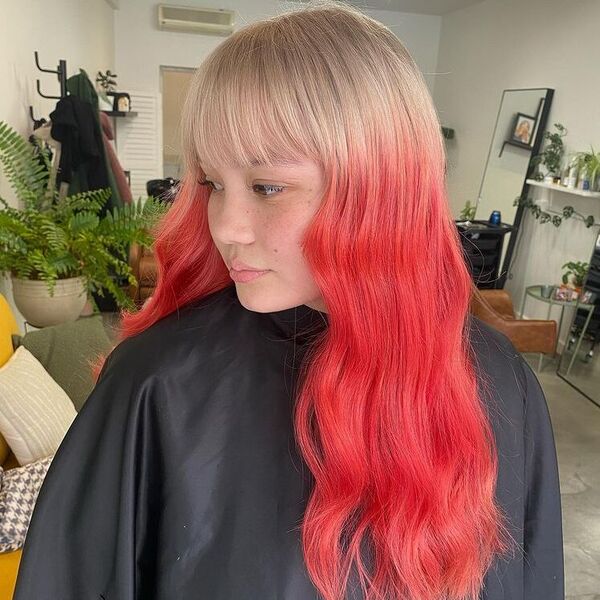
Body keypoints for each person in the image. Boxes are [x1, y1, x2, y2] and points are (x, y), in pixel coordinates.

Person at [13, 1, 564, 599]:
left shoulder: (500, 386)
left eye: (267, 187)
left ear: (382, 191)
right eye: (212, 185)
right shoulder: (159, 382)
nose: (226, 226)